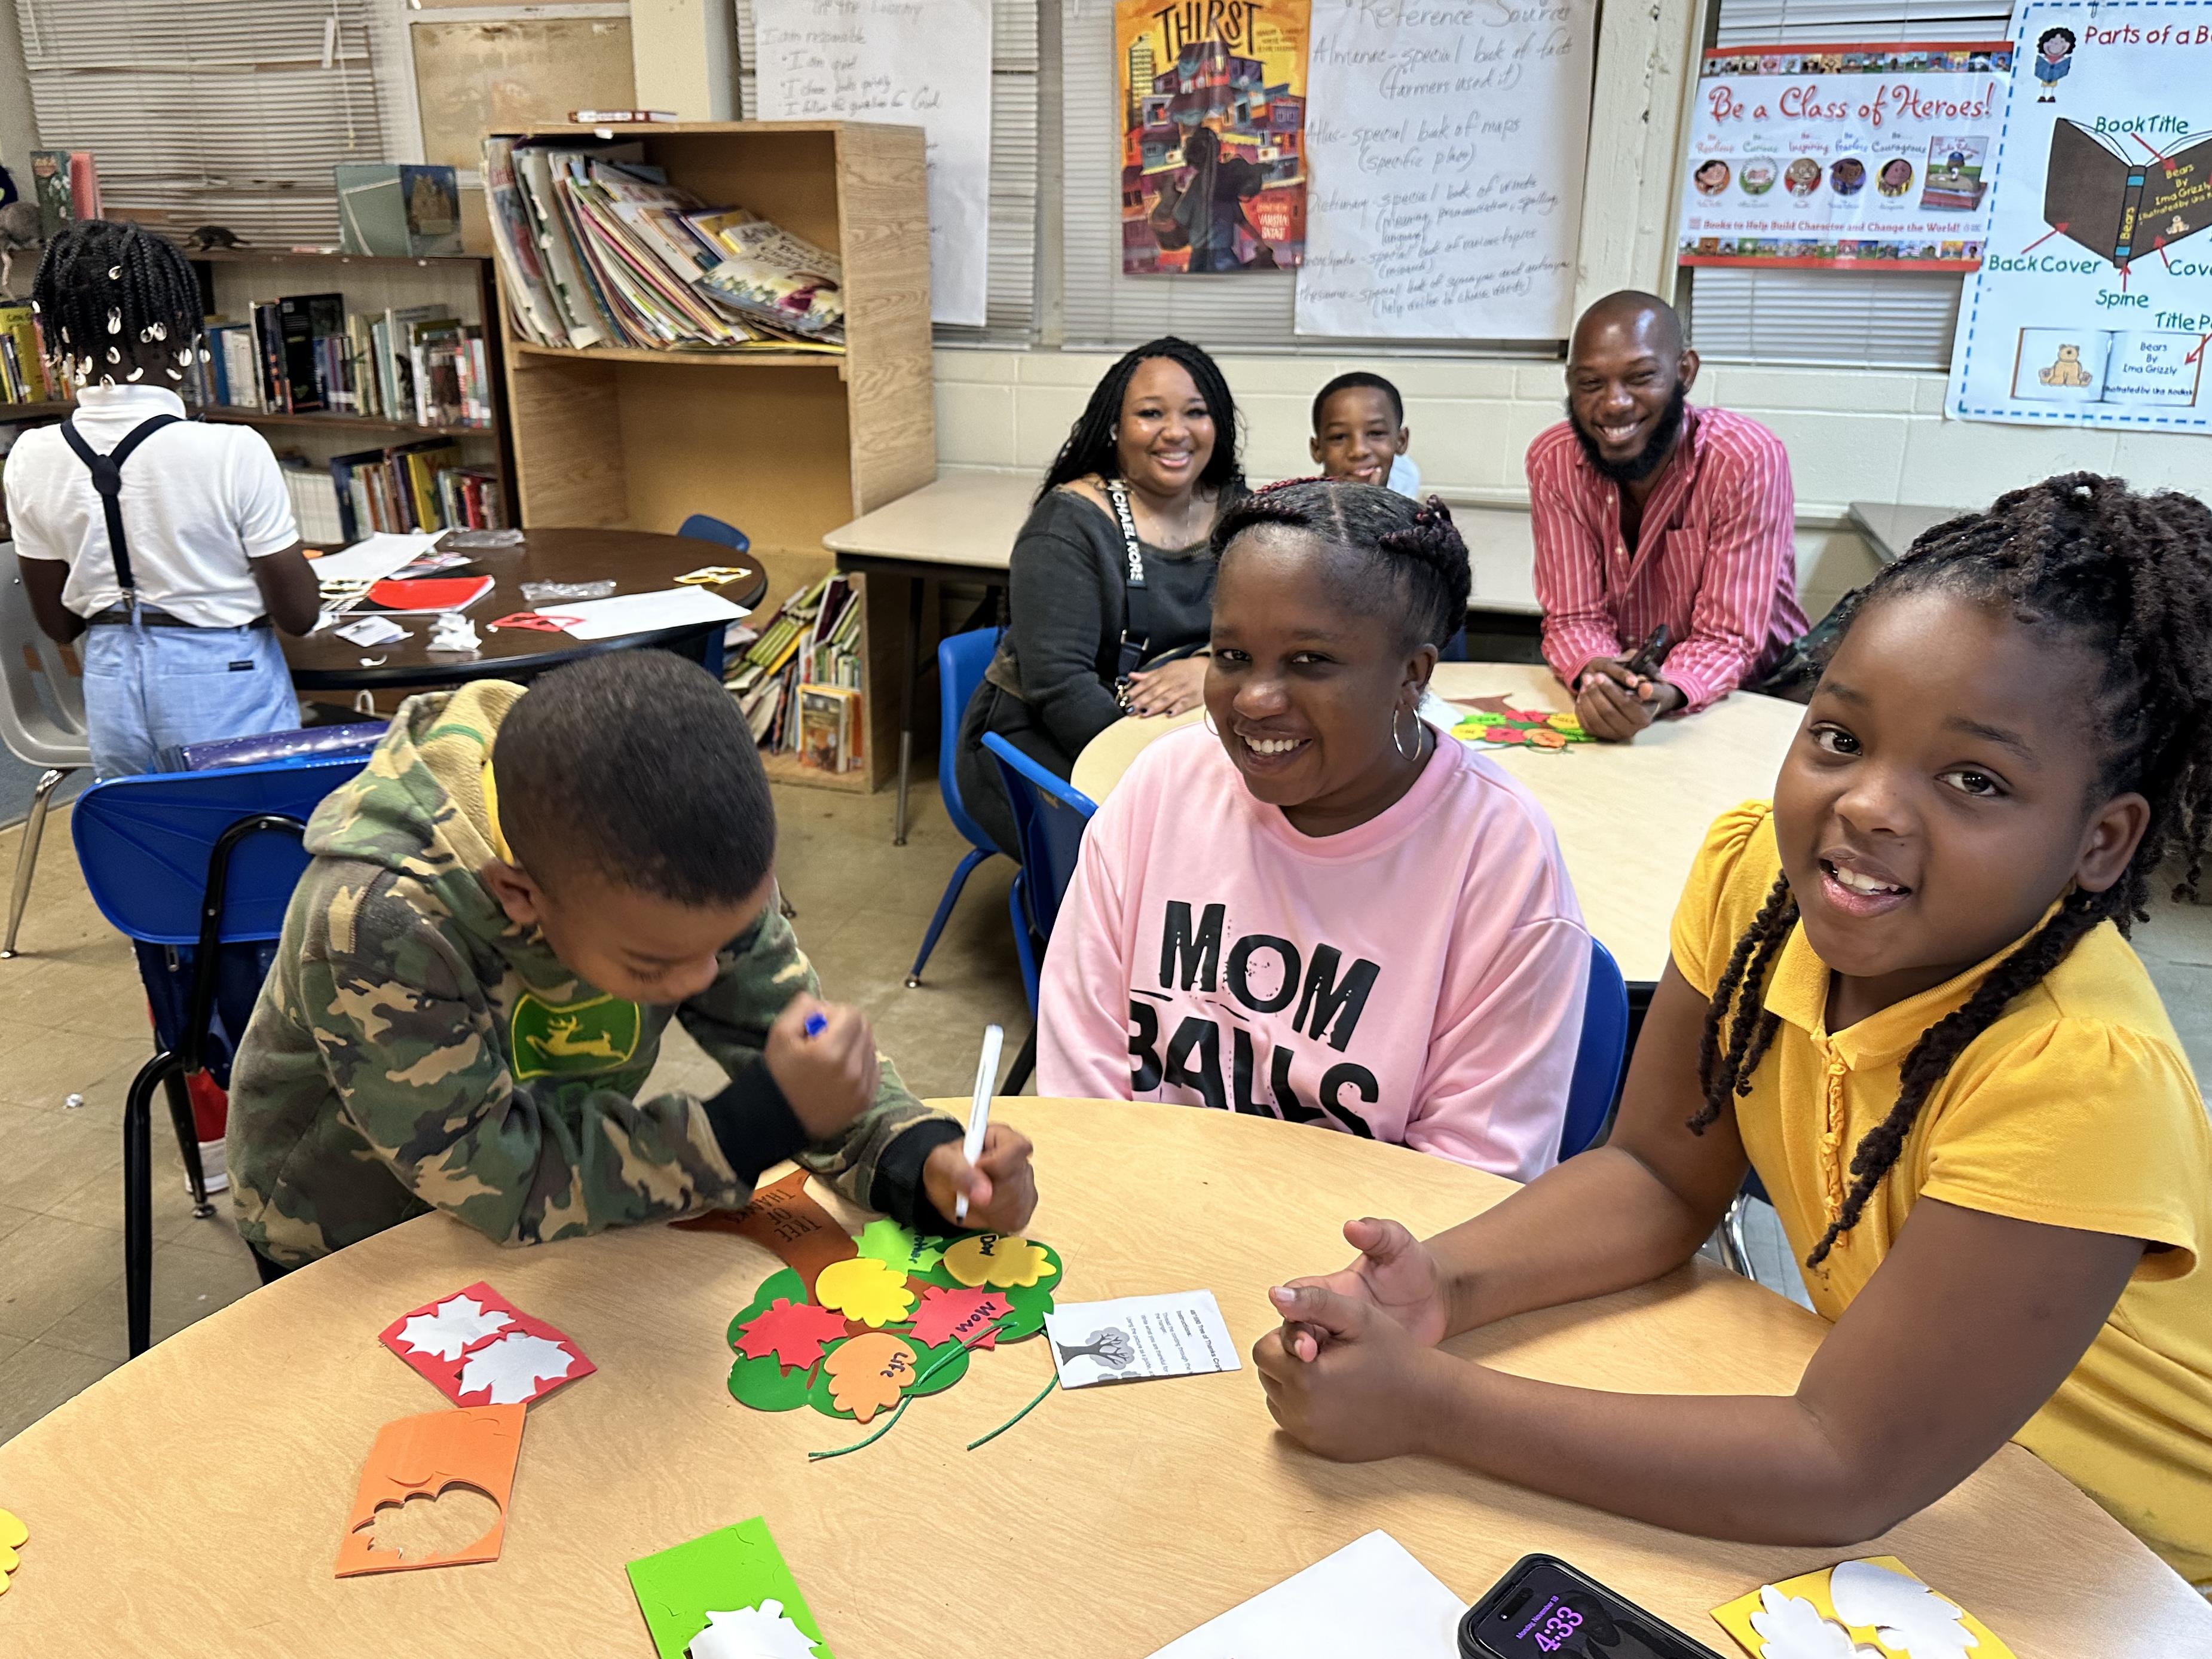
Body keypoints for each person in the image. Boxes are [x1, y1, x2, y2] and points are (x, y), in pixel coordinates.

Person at [1253, 475, 2212, 1587]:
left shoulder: (2078, 1072)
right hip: (1942, 1476)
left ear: (2102, 843)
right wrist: (1446, 1287)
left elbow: (1843, 1465)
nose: (1868, 806)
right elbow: (1661, 1175)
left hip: (2134, 1559)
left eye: (1973, 779)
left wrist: (1430, 1409)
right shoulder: (1759, 878)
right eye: (1842, 737)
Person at [228, 652, 1038, 1275]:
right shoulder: (376, 916)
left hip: (528, 1221)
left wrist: (917, 1159)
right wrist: (753, 1123)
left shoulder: (690, 877)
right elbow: (495, 1169)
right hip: (350, 1231)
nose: (696, 980)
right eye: (653, 967)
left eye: (721, 945)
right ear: (520, 895)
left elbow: (799, 1051)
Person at [1039, 480, 1587, 1180]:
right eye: (1231, 656)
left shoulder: (1497, 856)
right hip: (1144, 1218)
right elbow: (1080, 1077)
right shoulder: (1163, 787)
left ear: (1409, 677)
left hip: (1359, 1268)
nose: (1255, 700)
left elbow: (1468, 1181)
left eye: (1310, 662)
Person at [7, 221, 320, 778]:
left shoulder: (31, 456)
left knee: (149, 833)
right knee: (247, 834)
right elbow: (298, 615)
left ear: (57, 340)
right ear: (180, 330)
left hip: (111, 687)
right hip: (227, 676)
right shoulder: (231, 450)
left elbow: (58, 623)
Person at [957, 336, 1244, 856]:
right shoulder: (1066, 527)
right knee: (1162, 848)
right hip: (1041, 733)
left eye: (1196, 413)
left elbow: (1270, 631)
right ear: (1115, 427)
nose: (1175, 432)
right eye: (1150, 413)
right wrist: (1162, 775)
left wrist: (1210, 665)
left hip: (1179, 726)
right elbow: (1059, 688)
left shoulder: (1236, 511)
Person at [1527, 290, 1807, 744]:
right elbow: (1572, 617)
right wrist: (1599, 677)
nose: (1614, 403)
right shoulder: (1553, 460)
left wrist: (1661, 692)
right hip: (1634, 696)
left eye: (1640, 377)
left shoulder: (1745, 459)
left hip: (1757, 694)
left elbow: (1726, 637)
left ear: (1684, 372)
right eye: (1590, 383)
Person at [1309, 371, 1420, 499]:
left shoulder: (1407, 490)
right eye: (1339, 437)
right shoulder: (1296, 514)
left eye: (1376, 433)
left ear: (1401, 441)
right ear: (1317, 449)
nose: (1358, 451)